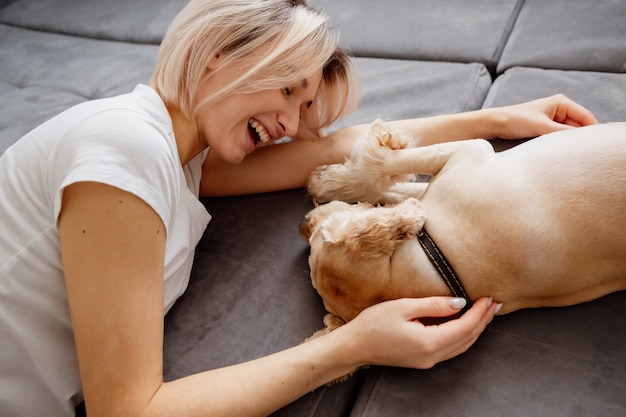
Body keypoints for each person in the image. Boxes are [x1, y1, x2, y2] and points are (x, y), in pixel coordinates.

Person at [0, 0, 599, 416]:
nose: (290, 123)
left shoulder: (180, 160)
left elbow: (333, 148)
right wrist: (351, 347)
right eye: (288, 88)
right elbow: (131, 411)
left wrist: (497, 119)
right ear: (217, 51)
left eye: (303, 105)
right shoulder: (126, 150)